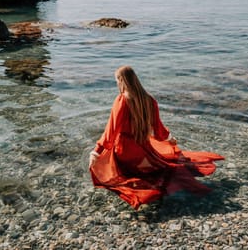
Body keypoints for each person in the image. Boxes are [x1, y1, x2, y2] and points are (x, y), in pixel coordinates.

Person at [89, 65, 224, 210]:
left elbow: (111, 131)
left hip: (125, 152)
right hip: (143, 151)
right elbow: (158, 128)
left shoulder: (122, 100)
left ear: (122, 81)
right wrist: (169, 138)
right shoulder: (149, 100)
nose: (116, 83)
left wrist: (96, 151)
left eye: (116, 80)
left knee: (118, 173)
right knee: (161, 167)